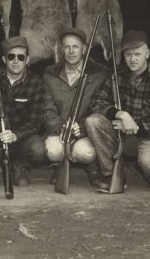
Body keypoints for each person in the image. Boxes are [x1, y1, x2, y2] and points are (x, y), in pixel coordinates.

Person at [86, 30, 150, 192]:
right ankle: (111, 174)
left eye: (137, 54)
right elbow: (97, 102)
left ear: (147, 53)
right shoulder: (117, 75)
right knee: (93, 120)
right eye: (128, 55)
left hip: (148, 138)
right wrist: (120, 114)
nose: (133, 59)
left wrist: (137, 126)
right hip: (121, 136)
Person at [0, 36, 53, 189]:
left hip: (22, 135)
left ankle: (19, 164)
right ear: (4, 59)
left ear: (27, 60)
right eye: (11, 56)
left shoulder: (37, 83)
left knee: (38, 150)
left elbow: (36, 122)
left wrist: (16, 135)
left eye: (21, 57)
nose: (16, 61)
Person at [43, 27, 108, 185]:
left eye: (76, 47)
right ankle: (60, 166)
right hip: (59, 130)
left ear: (84, 49)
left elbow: (101, 108)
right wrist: (61, 127)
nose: (71, 51)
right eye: (67, 47)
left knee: (85, 152)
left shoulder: (100, 73)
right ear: (62, 49)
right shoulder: (50, 73)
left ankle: (92, 167)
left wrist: (82, 127)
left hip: (84, 133)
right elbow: (47, 108)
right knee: (52, 150)